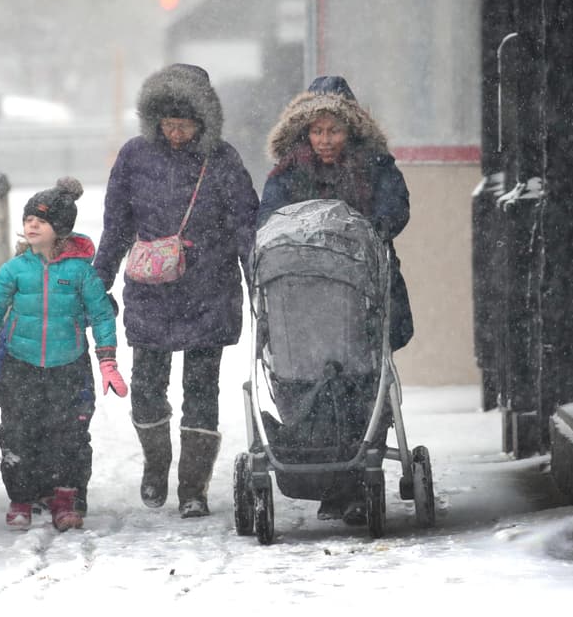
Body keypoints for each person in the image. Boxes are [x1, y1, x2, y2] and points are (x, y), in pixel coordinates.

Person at [94, 63, 260, 518]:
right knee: (147, 387)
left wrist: (256, 282)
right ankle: (157, 463)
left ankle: (193, 488)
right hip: (152, 291)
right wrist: (97, 282)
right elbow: (116, 227)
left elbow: (246, 224)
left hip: (210, 288)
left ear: (203, 120)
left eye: (184, 123)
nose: (175, 132)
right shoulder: (133, 156)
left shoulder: (222, 159)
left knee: (201, 391)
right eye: (167, 123)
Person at [258, 74, 413, 524]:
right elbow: (270, 220)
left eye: (335, 130)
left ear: (352, 130)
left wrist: (373, 228)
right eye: (317, 131)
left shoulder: (376, 167)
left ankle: (353, 480)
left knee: (364, 381)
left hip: (361, 296)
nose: (325, 140)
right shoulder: (288, 174)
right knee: (306, 381)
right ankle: (326, 475)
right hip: (302, 304)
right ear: (304, 132)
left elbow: (394, 208)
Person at [0, 177, 124, 532]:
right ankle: (21, 498)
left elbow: (102, 314)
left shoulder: (80, 272)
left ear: (60, 229)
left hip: (68, 366)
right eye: (28, 218)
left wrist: (107, 359)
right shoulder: (15, 270)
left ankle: (65, 499)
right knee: (18, 433)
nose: (31, 225)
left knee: (69, 435)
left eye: (41, 220)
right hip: (22, 366)